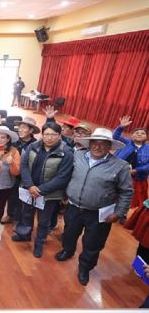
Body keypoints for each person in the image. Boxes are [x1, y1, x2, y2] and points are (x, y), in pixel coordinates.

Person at [55, 128, 133, 286]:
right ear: (89, 144)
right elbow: (65, 176)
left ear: (109, 146)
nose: (98, 147)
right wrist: (63, 195)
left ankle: (84, 268)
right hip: (73, 207)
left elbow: (126, 192)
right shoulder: (77, 156)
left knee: (93, 243)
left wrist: (119, 212)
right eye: (94, 143)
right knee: (69, 233)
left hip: (100, 214)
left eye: (103, 144)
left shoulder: (120, 166)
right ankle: (67, 251)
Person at [14, 122, 74, 259]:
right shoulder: (33, 146)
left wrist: (40, 190)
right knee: (27, 215)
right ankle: (25, 235)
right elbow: (24, 166)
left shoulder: (66, 153)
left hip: (49, 195)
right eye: (46, 134)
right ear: (42, 134)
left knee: (44, 221)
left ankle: (39, 244)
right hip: (29, 189)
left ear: (59, 135)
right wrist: (30, 186)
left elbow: (63, 178)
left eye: (53, 134)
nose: (49, 138)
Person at [0, 117, 40, 225]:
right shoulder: (14, 142)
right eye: (20, 127)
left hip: (28, 176)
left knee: (25, 199)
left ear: (31, 131)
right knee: (12, 196)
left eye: (24, 128)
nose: (20, 130)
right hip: (14, 173)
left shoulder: (36, 145)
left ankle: (22, 220)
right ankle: (10, 215)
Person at [113, 116, 148, 210]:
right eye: (136, 133)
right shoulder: (126, 142)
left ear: (146, 137)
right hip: (118, 173)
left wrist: (136, 170)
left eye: (143, 133)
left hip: (137, 178)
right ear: (131, 136)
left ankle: (122, 213)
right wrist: (121, 127)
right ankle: (111, 209)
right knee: (114, 193)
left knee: (130, 197)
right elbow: (115, 136)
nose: (139, 134)